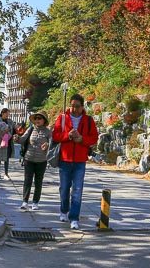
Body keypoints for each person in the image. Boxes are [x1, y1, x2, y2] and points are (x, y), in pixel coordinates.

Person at [52, 93, 99, 230]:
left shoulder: (88, 120)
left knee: (77, 190)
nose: (74, 109)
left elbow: (94, 138)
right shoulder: (62, 118)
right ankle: (63, 209)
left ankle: (74, 218)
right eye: (72, 106)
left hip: (80, 160)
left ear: (82, 107)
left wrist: (81, 139)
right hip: (64, 159)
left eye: (77, 106)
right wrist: (68, 136)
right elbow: (55, 135)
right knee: (64, 188)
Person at [18, 111, 51, 210]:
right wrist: (17, 138)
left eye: (39, 118)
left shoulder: (48, 131)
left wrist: (47, 145)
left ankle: (35, 202)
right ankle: (25, 202)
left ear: (44, 120)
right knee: (27, 180)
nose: (37, 120)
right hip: (29, 159)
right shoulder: (31, 129)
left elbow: (52, 142)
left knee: (38, 182)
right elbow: (22, 139)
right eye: (36, 118)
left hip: (41, 160)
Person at [0, 108, 16, 180]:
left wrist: (11, 131)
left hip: (8, 141)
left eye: (8, 114)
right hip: (0, 141)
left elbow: (13, 129)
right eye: (7, 114)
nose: (8, 115)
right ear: (2, 113)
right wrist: (4, 133)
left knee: (6, 158)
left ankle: (6, 174)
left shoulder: (10, 121)